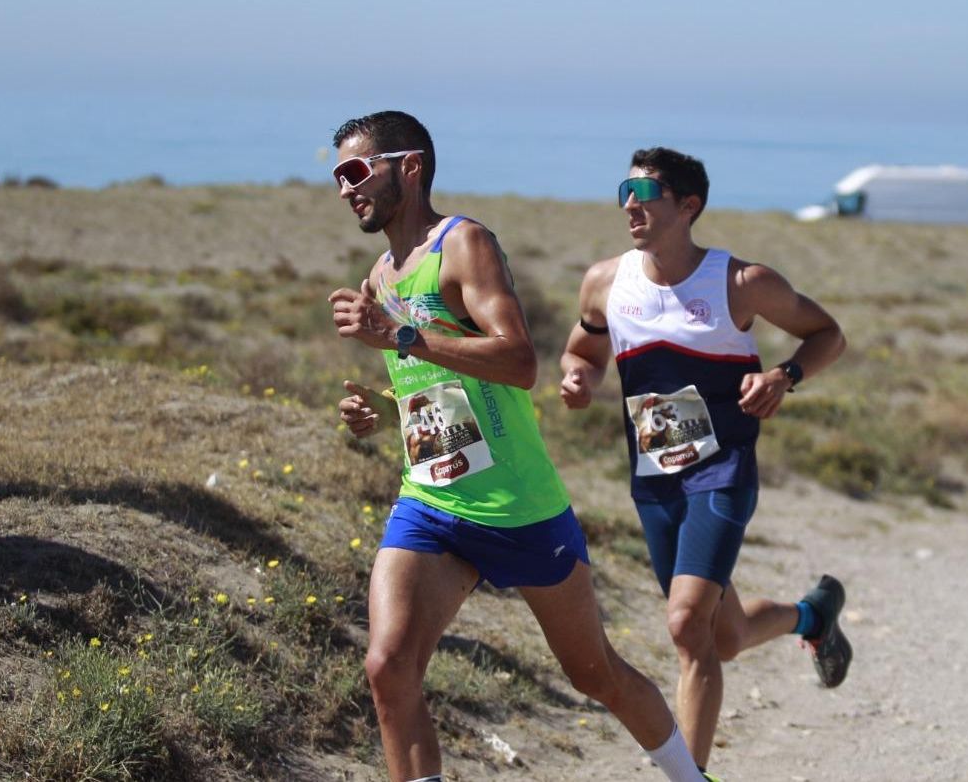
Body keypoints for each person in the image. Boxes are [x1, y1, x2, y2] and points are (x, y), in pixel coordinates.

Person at [327, 112, 706, 782]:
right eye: (337, 176)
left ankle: (691, 777)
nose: (345, 188)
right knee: (388, 668)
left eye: (357, 171)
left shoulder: (463, 243)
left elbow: (518, 362)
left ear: (408, 167)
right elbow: (434, 394)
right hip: (432, 502)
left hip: (517, 507)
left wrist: (399, 337)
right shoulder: (380, 275)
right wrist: (376, 416)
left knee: (596, 675)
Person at [558, 146, 853, 775]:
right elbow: (583, 348)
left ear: (688, 206)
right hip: (655, 476)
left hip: (721, 471)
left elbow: (828, 334)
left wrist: (784, 375)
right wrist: (579, 379)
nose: (630, 204)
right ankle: (813, 616)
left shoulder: (740, 283)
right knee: (724, 636)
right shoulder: (606, 281)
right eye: (624, 191)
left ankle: (690, 775)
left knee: (687, 623)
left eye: (645, 193)